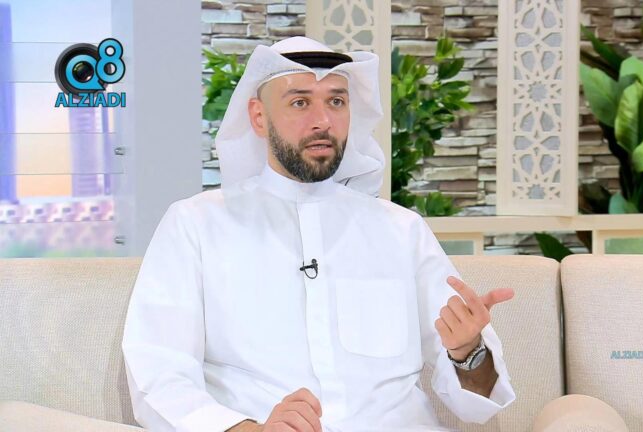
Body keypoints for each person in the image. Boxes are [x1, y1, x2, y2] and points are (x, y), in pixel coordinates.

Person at [121, 36, 516, 432]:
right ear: (258, 117)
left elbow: (477, 401)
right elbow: (158, 371)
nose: (323, 121)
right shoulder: (196, 224)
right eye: (300, 102)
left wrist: (468, 351)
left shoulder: (401, 230)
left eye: (336, 101)